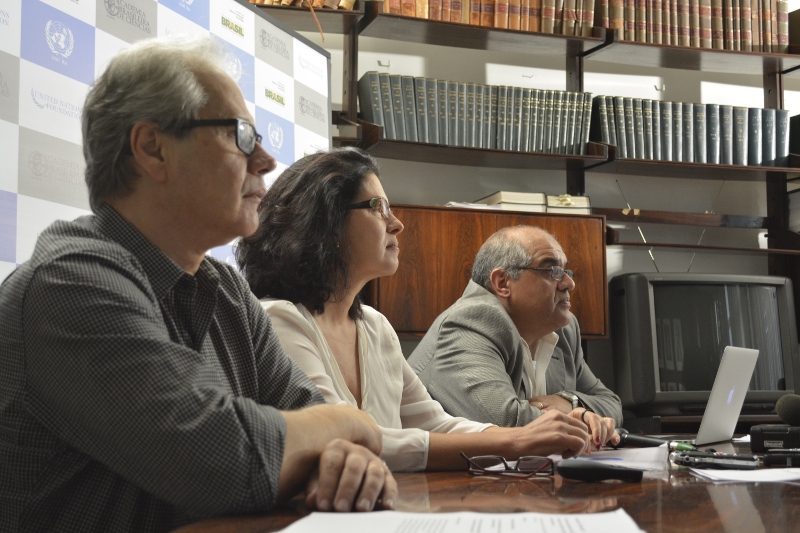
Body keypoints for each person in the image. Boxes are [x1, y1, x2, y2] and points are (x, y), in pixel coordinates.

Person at [0, 36, 396, 533]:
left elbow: (315, 426)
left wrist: (342, 454)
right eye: (242, 136)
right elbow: (223, 464)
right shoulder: (69, 283)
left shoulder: (227, 292)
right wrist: (351, 424)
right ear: (152, 149)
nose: (267, 161)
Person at [236, 147, 597, 473]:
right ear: (328, 221)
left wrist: (533, 434)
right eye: (378, 208)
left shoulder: (375, 326)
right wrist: (513, 441)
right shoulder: (279, 320)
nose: (397, 223)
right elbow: (340, 443)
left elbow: (435, 424)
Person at [408, 226, 623, 440]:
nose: (569, 283)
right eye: (552, 272)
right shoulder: (470, 321)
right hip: (431, 473)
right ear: (502, 283)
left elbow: (611, 404)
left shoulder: (563, 330)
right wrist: (584, 420)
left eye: (566, 271)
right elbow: (505, 422)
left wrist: (568, 401)